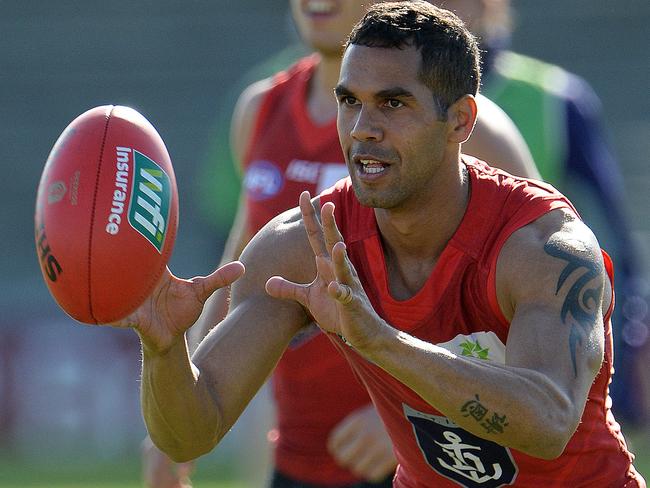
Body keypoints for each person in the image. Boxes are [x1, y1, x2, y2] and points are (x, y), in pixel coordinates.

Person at [123, 2, 645, 486]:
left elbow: (548, 422)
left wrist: (380, 343)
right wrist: (164, 351)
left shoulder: (544, 246)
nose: (362, 129)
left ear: (461, 120)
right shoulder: (301, 243)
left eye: (393, 104)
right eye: (349, 102)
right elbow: (192, 430)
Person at [436, 0, 648, 424]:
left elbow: (610, 234)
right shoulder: (370, 92)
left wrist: (631, 329)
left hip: (529, 323)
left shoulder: (556, 97)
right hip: (428, 315)